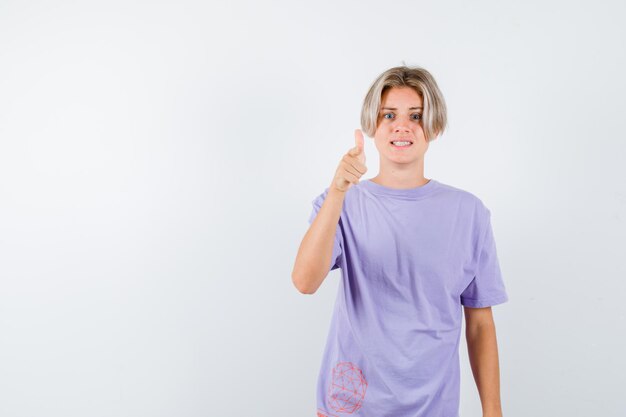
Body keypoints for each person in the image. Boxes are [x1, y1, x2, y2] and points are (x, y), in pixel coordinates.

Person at [291, 65, 509, 417]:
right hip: (352, 406)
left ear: (434, 127)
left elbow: (480, 323)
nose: (401, 125)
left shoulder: (469, 213)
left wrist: (493, 411)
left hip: (433, 407)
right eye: (388, 114)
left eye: (416, 116)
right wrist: (337, 192)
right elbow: (304, 281)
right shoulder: (341, 203)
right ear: (372, 126)